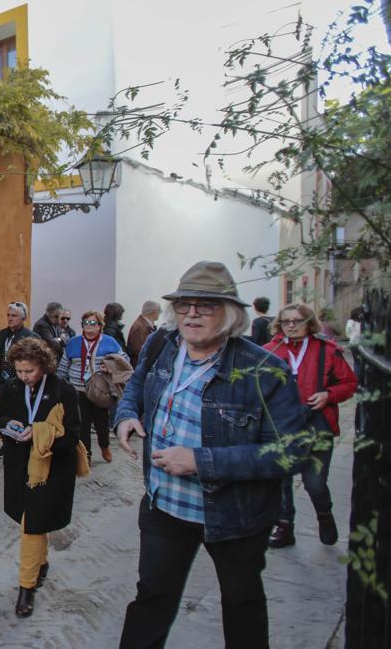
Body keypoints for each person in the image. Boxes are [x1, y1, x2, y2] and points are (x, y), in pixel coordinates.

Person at [114, 261, 308, 649]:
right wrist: (127, 414)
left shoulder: (264, 370)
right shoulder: (161, 345)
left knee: (242, 605)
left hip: (235, 515)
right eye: (184, 305)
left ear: (230, 315)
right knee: (152, 599)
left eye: (206, 305)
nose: (192, 314)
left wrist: (201, 461)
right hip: (164, 506)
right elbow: (136, 382)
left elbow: (291, 452)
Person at [0, 337, 81, 619]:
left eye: (29, 371)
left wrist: (41, 435)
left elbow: (74, 434)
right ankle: (41, 564)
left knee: (31, 526)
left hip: (50, 470)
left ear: (43, 365)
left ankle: (26, 587)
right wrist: (8, 425)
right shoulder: (13, 387)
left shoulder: (64, 390)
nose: (24, 377)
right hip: (19, 467)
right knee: (32, 521)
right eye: (19, 371)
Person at [262, 304, 358, 548]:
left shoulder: (327, 350)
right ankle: (284, 527)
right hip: (280, 427)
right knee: (281, 480)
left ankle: (324, 516)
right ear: (279, 325)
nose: (292, 325)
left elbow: (349, 383)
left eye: (298, 321)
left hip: (317, 425)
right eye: (286, 321)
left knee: (314, 483)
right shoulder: (268, 351)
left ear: (309, 323)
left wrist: (329, 394)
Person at [57, 310, 128, 463]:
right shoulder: (73, 343)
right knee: (82, 424)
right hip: (78, 390)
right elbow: (63, 366)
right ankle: (86, 455)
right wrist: (60, 386)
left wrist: (109, 367)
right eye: (86, 322)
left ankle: (104, 446)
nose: (89, 326)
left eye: (92, 323)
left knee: (102, 423)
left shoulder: (110, 342)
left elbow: (124, 361)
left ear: (100, 326)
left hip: (100, 390)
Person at [0, 302, 39, 459]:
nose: (10, 318)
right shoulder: (1, 334)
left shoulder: (30, 337)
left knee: (16, 414)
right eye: (9, 315)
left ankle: (14, 444)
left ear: (23, 318)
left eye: (14, 316)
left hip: (18, 382)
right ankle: (6, 440)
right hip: (0, 381)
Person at [126, 301, 162, 365]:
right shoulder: (138, 327)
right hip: (139, 365)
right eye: (159, 311)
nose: (160, 313)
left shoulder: (146, 325)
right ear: (152, 312)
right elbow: (138, 350)